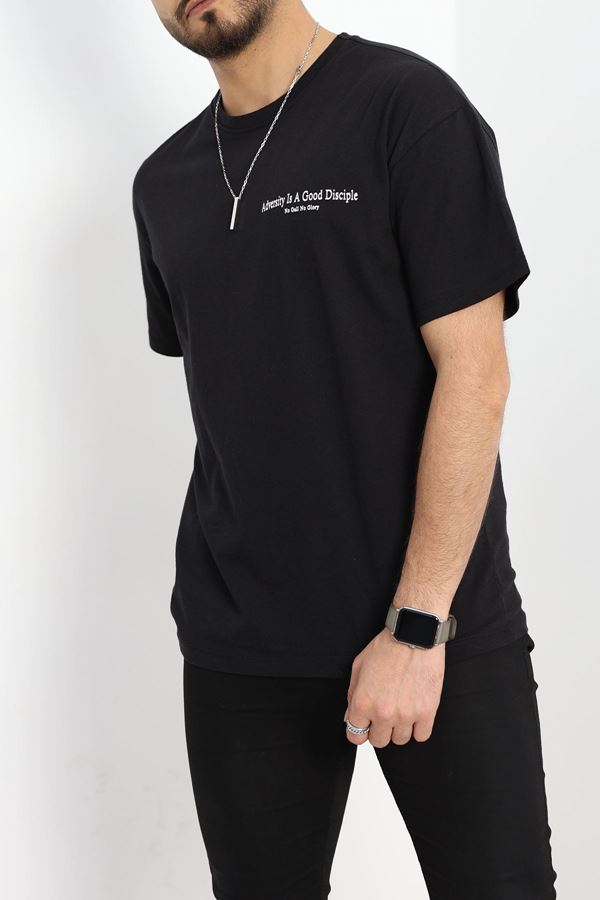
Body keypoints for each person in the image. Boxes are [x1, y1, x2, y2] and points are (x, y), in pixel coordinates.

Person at [132, 2, 558, 897]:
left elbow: (476, 377)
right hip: (241, 639)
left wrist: (417, 624)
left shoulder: (407, 107)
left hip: (436, 625)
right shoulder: (163, 183)